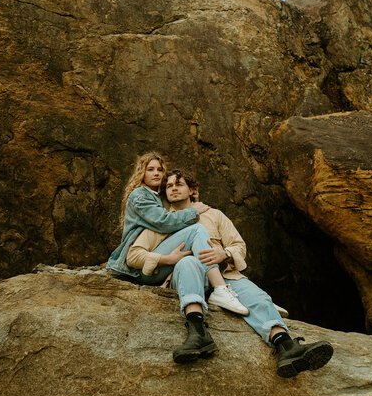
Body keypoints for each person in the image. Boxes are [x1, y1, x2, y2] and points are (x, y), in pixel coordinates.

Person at [127, 169, 334, 378]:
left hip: (226, 276)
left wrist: (224, 253)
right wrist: (167, 259)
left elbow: (239, 246)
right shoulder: (163, 221)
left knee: (258, 297)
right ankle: (197, 334)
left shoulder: (214, 215)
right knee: (188, 261)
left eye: (178, 184)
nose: (172, 188)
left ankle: (286, 347)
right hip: (188, 276)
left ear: (192, 190)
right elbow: (134, 255)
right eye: (168, 186)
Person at [106, 153, 248, 315]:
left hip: (155, 265)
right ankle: (220, 289)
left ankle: (223, 292)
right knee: (197, 230)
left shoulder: (158, 197)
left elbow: (177, 206)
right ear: (141, 173)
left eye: (160, 169)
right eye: (150, 169)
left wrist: (191, 198)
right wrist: (192, 211)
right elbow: (163, 221)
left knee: (192, 249)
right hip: (136, 266)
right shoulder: (140, 196)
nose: (156, 173)